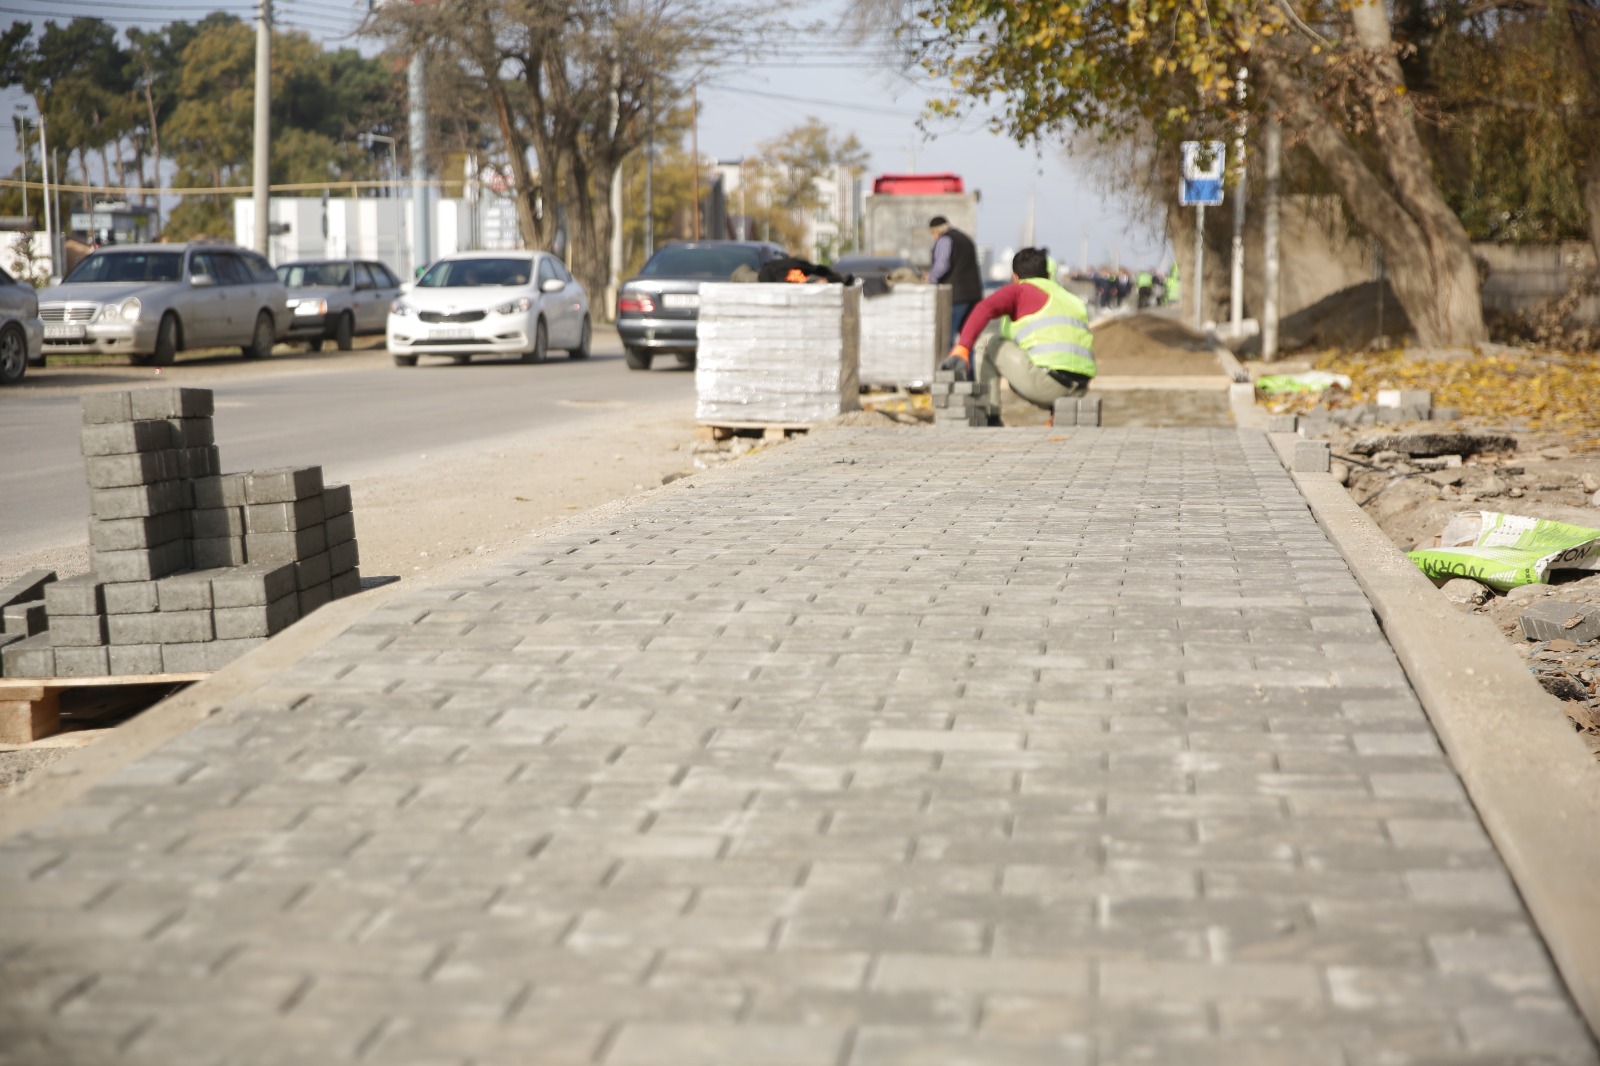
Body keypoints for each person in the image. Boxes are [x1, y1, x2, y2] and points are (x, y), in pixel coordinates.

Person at [938, 246, 1096, 423]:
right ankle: (1058, 414)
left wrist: (963, 348)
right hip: (1081, 388)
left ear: (1015, 276)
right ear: (1047, 274)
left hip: (1046, 386)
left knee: (987, 342)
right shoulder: (1070, 298)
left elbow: (984, 308)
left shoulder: (1020, 291)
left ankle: (991, 416)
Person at [925, 215, 983, 344]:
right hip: (973, 295)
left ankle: (949, 364)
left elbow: (941, 266)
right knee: (967, 338)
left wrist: (930, 279)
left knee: (947, 337)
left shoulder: (945, 240)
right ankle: (967, 364)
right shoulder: (965, 238)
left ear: (937, 230)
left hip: (956, 297)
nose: (934, 236)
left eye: (933, 233)